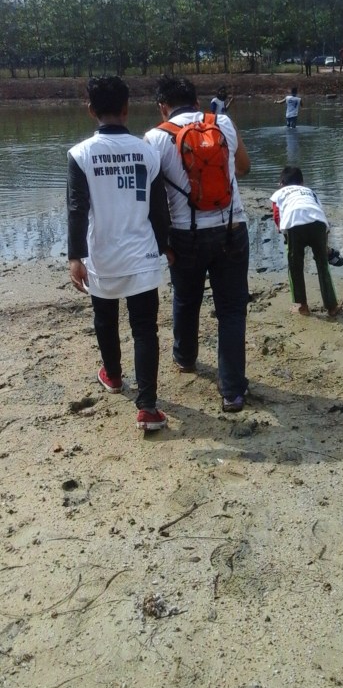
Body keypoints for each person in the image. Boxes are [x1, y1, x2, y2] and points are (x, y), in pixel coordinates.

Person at [67, 76, 171, 432]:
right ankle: (148, 407)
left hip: (102, 255)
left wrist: (75, 256)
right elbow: (159, 210)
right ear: (127, 109)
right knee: (145, 330)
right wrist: (167, 247)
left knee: (105, 318)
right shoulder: (148, 151)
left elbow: (77, 208)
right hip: (142, 254)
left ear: (91, 110)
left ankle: (112, 376)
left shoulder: (80, 154)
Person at [145, 76, 251, 413]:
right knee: (232, 310)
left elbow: (153, 200)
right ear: (196, 101)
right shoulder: (223, 122)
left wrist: (162, 243)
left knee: (186, 299)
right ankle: (233, 391)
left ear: (163, 106)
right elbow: (244, 168)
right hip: (232, 227)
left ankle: (185, 359)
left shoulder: (155, 137)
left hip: (185, 235)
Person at [270, 166, 342, 318]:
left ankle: (302, 306)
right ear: (302, 182)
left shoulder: (279, 193)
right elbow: (320, 213)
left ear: (281, 183)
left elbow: (277, 216)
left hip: (294, 225)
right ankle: (332, 307)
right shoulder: (310, 192)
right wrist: (324, 246)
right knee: (322, 265)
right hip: (318, 223)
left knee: (295, 266)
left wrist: (284, 235)